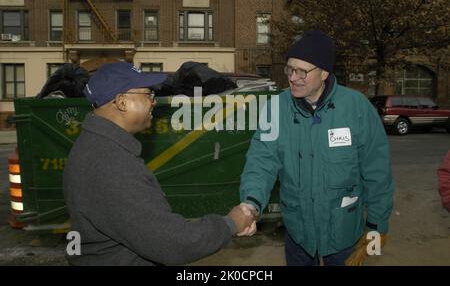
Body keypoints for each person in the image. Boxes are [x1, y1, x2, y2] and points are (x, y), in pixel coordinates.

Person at [63, 62, 254, 266]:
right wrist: (230, 223)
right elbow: (172, 242)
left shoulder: (96, 146)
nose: (153, 102)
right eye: (147, 95)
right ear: (121, 102)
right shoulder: (110, 163)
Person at [239, 30, 395, 266]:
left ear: (324, 73)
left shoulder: (357, 108)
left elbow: (377, 171)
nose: (293, 77)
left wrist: (376, 224)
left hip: (344, 232)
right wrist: (251, 204)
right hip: (298, 233)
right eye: (290, 69)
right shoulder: (276, 108)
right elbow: (262, 161)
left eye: (302, 71)